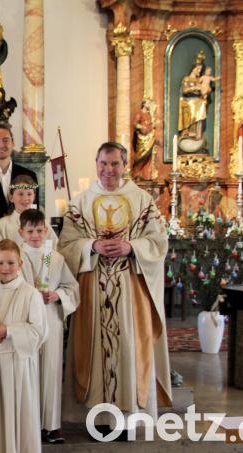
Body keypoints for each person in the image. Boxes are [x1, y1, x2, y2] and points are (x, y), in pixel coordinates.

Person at [58, 142, 171, 437]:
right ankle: (97, 418)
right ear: (95, 164)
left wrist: (130, 246)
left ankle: (128, 416)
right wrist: (91, 245)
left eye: (115, 164)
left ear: (125, 166)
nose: (109, 170)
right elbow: (66, 246)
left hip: (130, 289)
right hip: (93, 288)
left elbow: (159, 242)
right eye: (103, 164)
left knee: (131, 348)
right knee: (92, 348)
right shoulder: (80, 203)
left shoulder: (143, 200)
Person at [0, 239, 47, 452]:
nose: (5, 268)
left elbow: (39, 331)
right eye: (1, 263)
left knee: (21, 412)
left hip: (20, 363)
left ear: (20, 264)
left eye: (11, 263)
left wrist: (9, 331)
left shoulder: (30, 294)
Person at [17, 209, 79, 444]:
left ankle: (51, 425)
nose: (35, 235)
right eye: (30, 231)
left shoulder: (57, 258)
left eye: (40, 230)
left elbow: (71, 288)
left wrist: (56, 295)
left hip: (50, 320)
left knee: (51, 371)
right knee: (27, 370)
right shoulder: (16, 257)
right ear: (21, 232)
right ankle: (28, 422)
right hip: (25, 321)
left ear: (46, 231)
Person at [0, 175, 57, 247]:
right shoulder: (2, 226)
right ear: (11, 198)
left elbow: (51, 245)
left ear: (34, 197)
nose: (25, 198)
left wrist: (45, 258)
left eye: (29, 194)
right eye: (20, 194)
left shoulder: (43, 223)